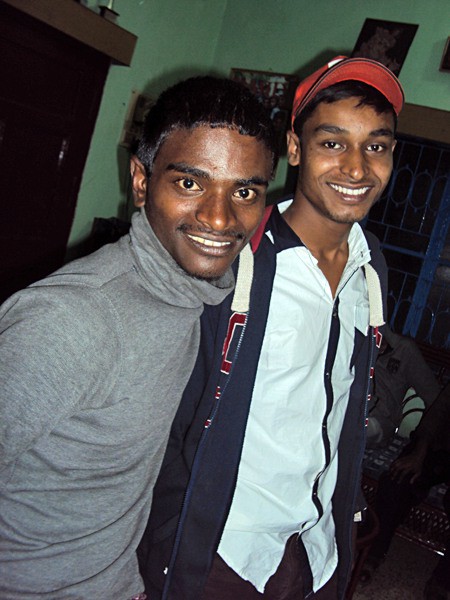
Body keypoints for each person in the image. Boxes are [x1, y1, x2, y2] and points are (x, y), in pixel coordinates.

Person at [0, 76, 277, 599]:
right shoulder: (72, 321)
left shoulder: (193, 294)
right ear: (142, 181)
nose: (219, 217)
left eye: (243, 191)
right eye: (190, 183)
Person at [138, 56, 404, 600]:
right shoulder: (235, 254)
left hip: (315, 549)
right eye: (333, 142)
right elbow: (162, 409)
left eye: (375, 146)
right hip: (223, 550)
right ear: (296, 148)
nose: (356, 168)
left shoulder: (370, 266)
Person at [361, 381, 450, 598]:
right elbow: (436, 415)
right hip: (438, 448)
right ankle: (373, 554)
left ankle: (443, 581)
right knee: (398, 479)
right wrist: (419, 452)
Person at [366, 326, 441, 447]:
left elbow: (434, 398)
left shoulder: (404, 349)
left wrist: (421, 442)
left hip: (380, 421)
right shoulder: (351, 338)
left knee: (360, 428)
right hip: (351, 410)